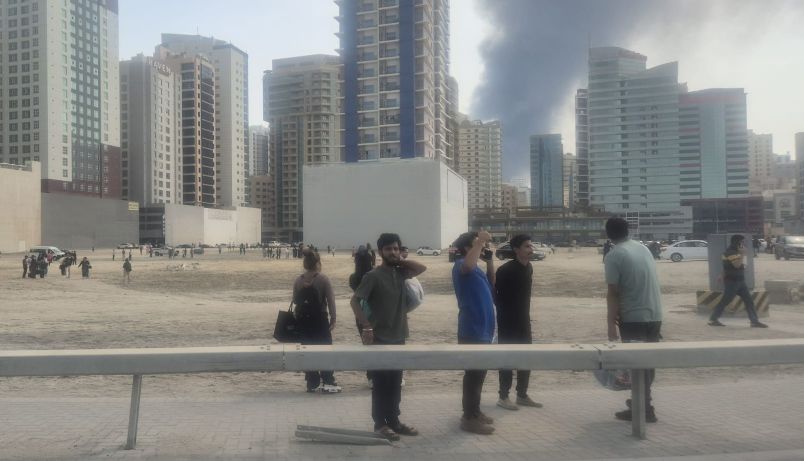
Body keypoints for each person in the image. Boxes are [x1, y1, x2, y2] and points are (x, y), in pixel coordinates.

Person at [351, 233, 426, 441]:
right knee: (380, 384)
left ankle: (394, 421)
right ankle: (380, 424)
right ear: (380, 252)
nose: (392, 252)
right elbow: (355, 302)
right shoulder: (373, 276)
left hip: (399, 335)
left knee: (395, 382)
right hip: (379, 337)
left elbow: (421, 268)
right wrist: (366, 326)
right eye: (388, 249)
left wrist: (401, 260)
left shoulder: (401, 273)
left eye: (395, 248)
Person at [604, 217, 663, 423]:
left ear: (608, 233)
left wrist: (610, 325)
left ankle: (643, 408)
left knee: (636, 364)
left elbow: (613, 292)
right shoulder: (643, 248)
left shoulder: (614, 255)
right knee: (648, 363)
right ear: (627, 231)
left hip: (633, 317)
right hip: (655, 314)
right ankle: (642, 403)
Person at [451, 230, 497, 435]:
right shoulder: (460, 264)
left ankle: (475, 412)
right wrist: (480, 241)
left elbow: (492, 282)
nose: (482, 246)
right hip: (472, 329)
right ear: (467, 248)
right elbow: (468, 266)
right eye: (476, 244)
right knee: (473, 375)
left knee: (480, 374)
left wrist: (489, 262)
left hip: (484, 329)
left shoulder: (476, 268)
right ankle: (468, 418)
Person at [494, 234, 542, 411]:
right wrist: (504, 317)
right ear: (516, 250)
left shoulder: (529, 267)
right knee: (507, 359)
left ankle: (522, 395)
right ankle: (503, 397)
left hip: (524, 321)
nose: (531, 249)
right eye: (527, 246)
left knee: (526, 357)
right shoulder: (505, 270)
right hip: (507, 322)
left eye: (531, 246)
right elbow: (496, 297)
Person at [293, 249, 340, 393]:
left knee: (307, 349)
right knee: (325, 347)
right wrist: (333, 318)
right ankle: (327, 379)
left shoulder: (299, 280)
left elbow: (295, 300)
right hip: (320, 319)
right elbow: (330, 300)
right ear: (318, 263)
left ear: (305, 263)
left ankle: (312, 381)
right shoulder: (323, 279)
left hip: (303, 320)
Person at [708, 235, 769, 328]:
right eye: (742, 242)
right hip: (732, 282)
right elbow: (736, 265)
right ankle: (713, 319)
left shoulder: (736, 252)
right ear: (737, 242)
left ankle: (754, 321)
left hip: (740, 282)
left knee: (749, 301)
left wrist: (722, 274)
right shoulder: (730, 252)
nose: (743, 244)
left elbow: (727, 267)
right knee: (725, 301)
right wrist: (742, 254)